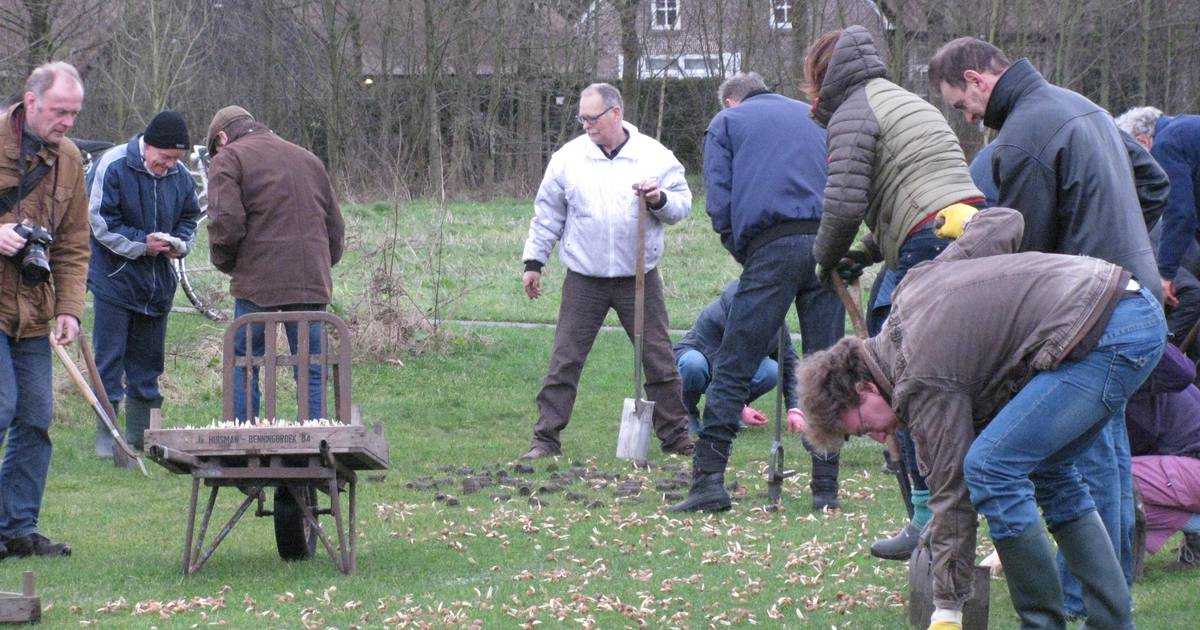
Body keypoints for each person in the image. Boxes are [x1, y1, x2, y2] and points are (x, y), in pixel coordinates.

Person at [797, 207, 1166, 630]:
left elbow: (953, 492)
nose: (880, 436)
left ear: (863, 388)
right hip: (1124, 308)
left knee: (991, 467)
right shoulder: (914, 288)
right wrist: (968, 223)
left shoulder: (920, 375)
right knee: (1053, 473)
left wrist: (948, 611)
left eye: (865, 426)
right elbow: (1007, 222)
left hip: (1109, 332)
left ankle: (1042, 625)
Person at [929, 37, 1162, 619]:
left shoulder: (1024, 138)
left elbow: (1023, 258)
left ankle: (1082, 601)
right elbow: (1153, 185)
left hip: (1086, 320)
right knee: (1089, 461)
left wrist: (1078, 265)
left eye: (962, 104)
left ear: (979, 79)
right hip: (1131, 297)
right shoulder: (1081, 106)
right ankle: (1103, 605)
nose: (969, 117)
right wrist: (1122, 247)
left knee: (1078, 465)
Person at [802, 26, 985, 554]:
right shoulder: (904, 101)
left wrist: (827, 257)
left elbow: (843, 204)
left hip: (927, 242)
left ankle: (928, 524)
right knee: (944, 385)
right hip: (965, 231)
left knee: (892, 378)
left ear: (824, 74)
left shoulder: (853, 112)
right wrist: (866, 251)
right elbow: (916, 195)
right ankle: (947, 518)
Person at [667, 72, 842, 513]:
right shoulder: (816, 117)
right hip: (827, 242)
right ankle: (825, 491)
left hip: (772, 245)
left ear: (731, 100)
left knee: (735, 362)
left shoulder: (727, 123)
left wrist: (742, 247)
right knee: (826, 366)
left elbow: (719, 200)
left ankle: (708, 482)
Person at [520, 83, 693, 459]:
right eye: (582, 118)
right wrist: (534, 262)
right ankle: (545, 440)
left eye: (592, 118)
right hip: (585, 278)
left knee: (659, 359)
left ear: (616, 113)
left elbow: (682, 205)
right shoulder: (568, 158)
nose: (586, 125)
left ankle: (678, 438)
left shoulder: (654, 156)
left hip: (639, 279)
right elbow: (548, 214)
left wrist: (659, 199)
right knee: (565, 361)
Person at [0, 62, 89, 560]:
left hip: (33, 311)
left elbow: (75, 243)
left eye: (74, 113)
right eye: (60, 111)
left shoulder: (69, 159)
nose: (68, 122)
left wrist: (71, 309)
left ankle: (16, 529)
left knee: (35, 418)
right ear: (30, 102)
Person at [204, 106, 345, 422]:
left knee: (245, 360)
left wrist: (228, 264)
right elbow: (335, 225)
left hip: (258, 280)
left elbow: (225, 223)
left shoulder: (229, 158)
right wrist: (321, 263)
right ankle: (315, 440)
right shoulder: (307, 158)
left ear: (222, 138)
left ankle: (244, 441)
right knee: (311, 361)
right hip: (310, 278)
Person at [86, 111, 200, 453]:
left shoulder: (180, 177)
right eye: (165, 157)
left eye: (176, 159)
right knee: (109, 363)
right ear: (148, 146)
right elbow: (99, 221)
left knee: (149, 366)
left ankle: (142, 437)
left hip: (158, 286)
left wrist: (178, 245)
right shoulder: (113, 165)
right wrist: (141, 245)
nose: (169, 165)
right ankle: (107, 439)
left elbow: (190, 218)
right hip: (114, 282)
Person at [673, 279, 801, 433]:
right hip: (705, 363)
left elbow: (788, 363)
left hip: (735, 368)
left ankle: (728, 414)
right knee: (692, 364)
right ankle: (687, 415)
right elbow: (720, 368)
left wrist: (795, 408)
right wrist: (739, 406)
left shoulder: (776, 324)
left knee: (771, 370)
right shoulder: (714, 318)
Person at [1123, 343, 1200, 570]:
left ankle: (1115, 567)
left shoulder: (1134, 388)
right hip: (1189, 468)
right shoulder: (1152, 373)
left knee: (1105, 479)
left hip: (1192, 469)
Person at [1115, 106, 1200, 307]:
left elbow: (1180, 213)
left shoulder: (1165, 144)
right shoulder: (1184, 131)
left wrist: (1164, 274)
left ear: (1142, 141)